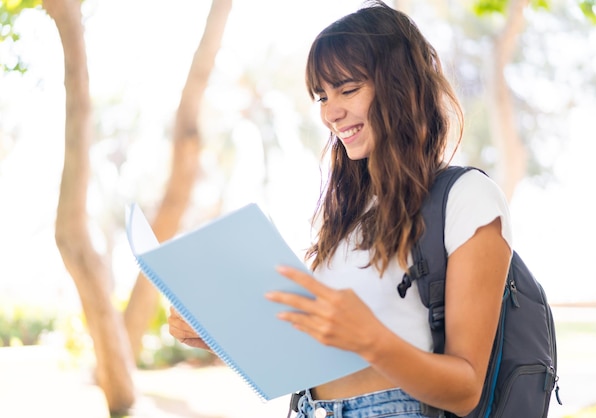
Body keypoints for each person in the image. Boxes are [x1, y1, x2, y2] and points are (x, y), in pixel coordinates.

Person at [168, 1, 513, 417]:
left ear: (402, 86)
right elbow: (311, 356)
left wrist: (369, 338)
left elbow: (466, 388)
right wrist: (223, 332)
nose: (331, 113)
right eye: (321, 96)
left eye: (348, 90)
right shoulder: (346, 216)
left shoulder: (466, 197)